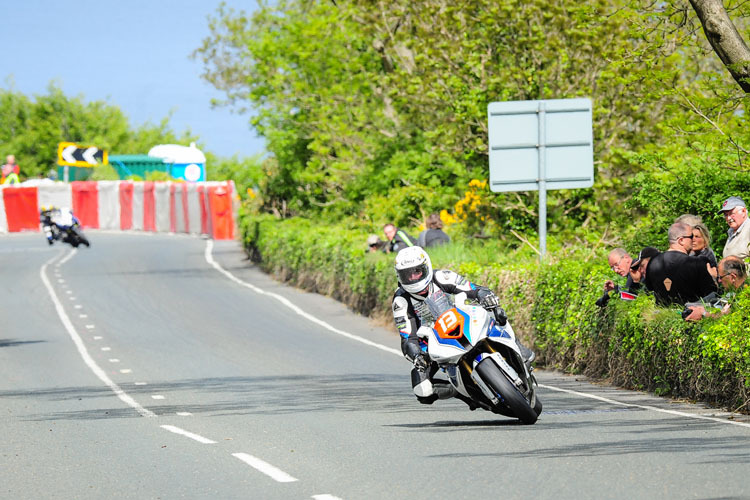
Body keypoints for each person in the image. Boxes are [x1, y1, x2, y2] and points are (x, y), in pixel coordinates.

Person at [391, 245, 534, 409]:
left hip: (460, 322)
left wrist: (484, 295)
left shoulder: (442, 277)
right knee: (422, 391)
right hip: (432, 343)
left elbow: (474, 289)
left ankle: (516, 346)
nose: (413, 278)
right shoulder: (400, 300)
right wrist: (417, 356)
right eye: (407, 275)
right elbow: (408, 338)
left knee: (495, 313)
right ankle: (459, 390)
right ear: (399, 276)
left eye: (417, 271)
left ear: (426, 267)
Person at [642, 222, 718, 306]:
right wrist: (713, 277)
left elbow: (649, 289)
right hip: (689, 316)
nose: (693, 240)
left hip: (662, 315)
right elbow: (713, 294)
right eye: (691, 236)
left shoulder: (653, 262)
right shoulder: (697, 262)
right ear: (681, 240)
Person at [683, 256, 747, 321]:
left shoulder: (745, 295)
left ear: (732, 277)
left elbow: (727, 316)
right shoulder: (734, 292)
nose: (719, 281)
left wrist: (703, 313)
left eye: (720, 277)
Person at [717, 196, 750, 260]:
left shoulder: (748, 230)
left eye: (731, 213)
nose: (728, 218)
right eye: (726, 215)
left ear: (743, 211)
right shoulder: (732, 232)